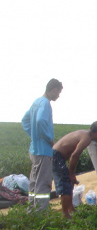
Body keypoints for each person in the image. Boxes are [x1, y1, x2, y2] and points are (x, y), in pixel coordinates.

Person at [21, 78, 63, 212]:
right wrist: (49, 139)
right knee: (43, 184)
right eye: (59, 92)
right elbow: (40, 120)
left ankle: (31, 210)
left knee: (33, 182)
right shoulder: (45, 103)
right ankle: (40, 213)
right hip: (44, 151)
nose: (58, 96)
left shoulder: (36, 102)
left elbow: (25, 121)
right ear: (54, 90)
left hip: (34, 149)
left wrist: (34, 136)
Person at [52, 121, 97, 218]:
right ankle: (65, 214)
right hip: (56, 156)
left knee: (69, 182)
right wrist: (71, 174)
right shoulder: (87, 138)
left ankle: (70, 208)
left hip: (57, 156)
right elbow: (74, 156)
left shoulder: (85, 134)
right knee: (65, 183)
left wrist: (71, 175)